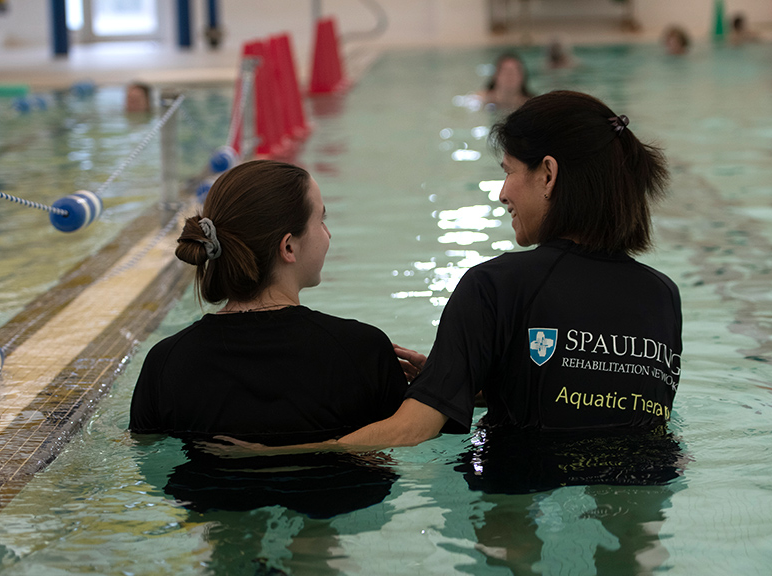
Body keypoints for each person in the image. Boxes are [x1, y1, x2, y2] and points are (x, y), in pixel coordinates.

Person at [213, 91, 681, 454]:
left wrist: (279, 454)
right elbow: (608, 402)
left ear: (549, 174)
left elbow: (413, 430)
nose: (502, 193)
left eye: (509, 171)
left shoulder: (495, 284)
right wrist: (469, 382)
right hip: (642, 488)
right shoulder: (663, 295)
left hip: (521, 493)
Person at [129, 160, 408, 442]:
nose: (328, 234)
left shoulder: (166, 362)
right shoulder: (362, 351)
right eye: (321, 221)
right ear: (288, 246)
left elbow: (146, 453)